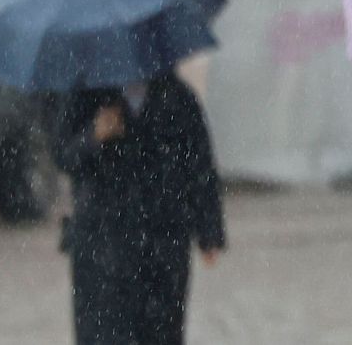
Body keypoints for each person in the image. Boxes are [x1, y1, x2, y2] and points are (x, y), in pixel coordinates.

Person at [52, 70, 226, 345]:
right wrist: (93, 137)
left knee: (161, 333)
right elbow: (63, 155)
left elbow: (200, 166)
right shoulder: (87, 93)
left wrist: (209, 230)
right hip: (101, 245)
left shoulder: (177, 97)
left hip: (163, 243)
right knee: (103, 334)